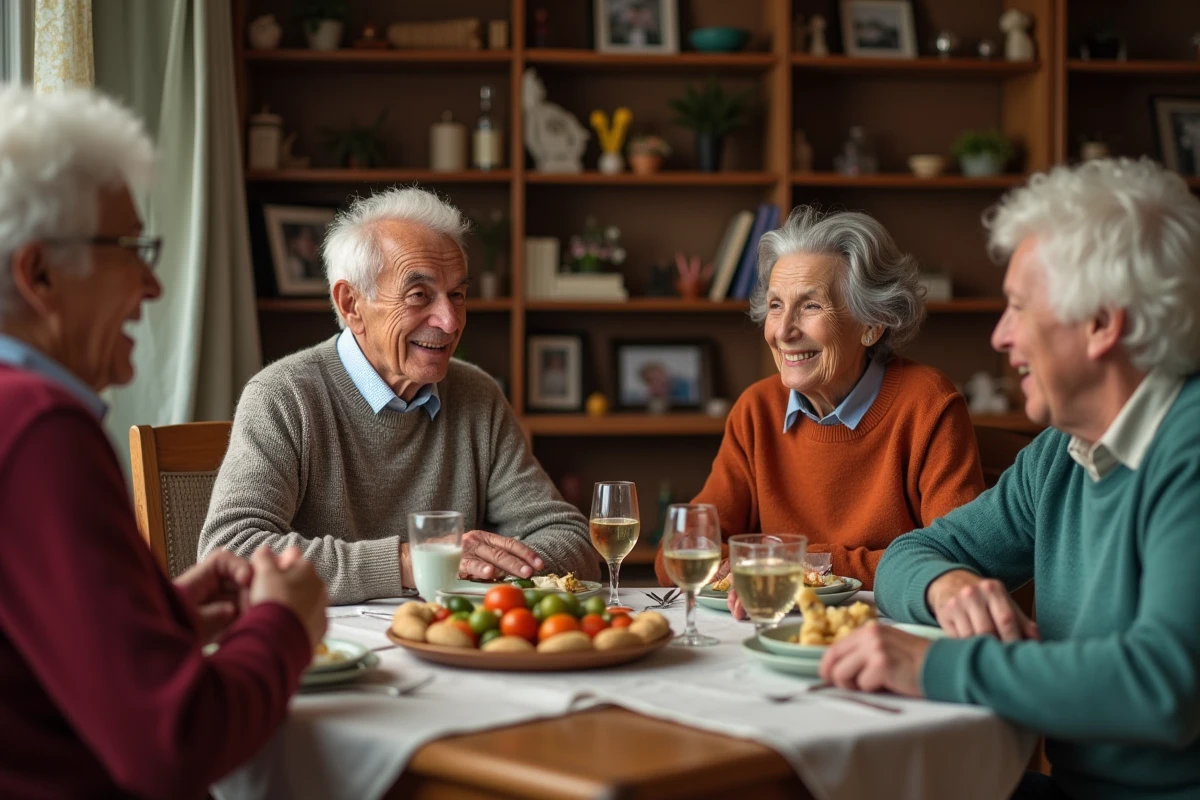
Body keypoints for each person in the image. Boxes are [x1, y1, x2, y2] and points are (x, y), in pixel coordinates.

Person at [821, 159, 1200, 800]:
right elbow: (909, 556)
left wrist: (935, 665)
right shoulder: (1061, 454)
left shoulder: (1187, 446)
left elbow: (1161, 686)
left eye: (1019, 308)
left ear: (1102, 324)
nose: (1000, 336)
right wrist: (950, 588)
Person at [0, 83, 328, 798]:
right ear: (40, 274)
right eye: (129, 248)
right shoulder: (38, 430)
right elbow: (174, 744)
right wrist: (283, 624)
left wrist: (166, 614)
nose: (151, 284)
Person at [199, 187, 599, 604]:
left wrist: (492, 565)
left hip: (454, 645)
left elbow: (569, 538)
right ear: (351, 304)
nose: (448, 322)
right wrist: (412, 562)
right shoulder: (283, 397)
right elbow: (232, 552)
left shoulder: (477, 395)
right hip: (326, 649)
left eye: (457, 295)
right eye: (419, 296)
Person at [656, 207, 984, 604]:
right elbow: (679, 552)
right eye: (776, 305)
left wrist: (797, 567)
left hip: (884, 634)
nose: (783, 331)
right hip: (773, 628)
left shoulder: (929, 405)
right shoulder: (757, 410)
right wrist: (792, 567)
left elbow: (956, 561)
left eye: (810, 306)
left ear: (872, 324)